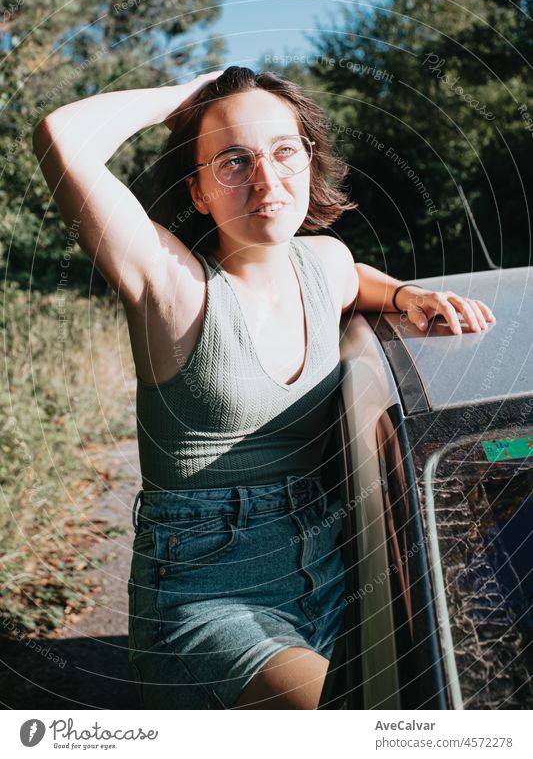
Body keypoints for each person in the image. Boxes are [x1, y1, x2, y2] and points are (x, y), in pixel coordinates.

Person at [32, 65, 496, 710]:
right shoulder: (173, 285)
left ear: (309, 162)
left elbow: (352, 275)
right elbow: (61, 135)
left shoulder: (325, 261)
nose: (266, 179)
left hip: (337, 564)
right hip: (207, 587)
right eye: (232, 160)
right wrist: (190, 97)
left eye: (284, 152)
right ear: (197, 191)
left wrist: (405, 294)